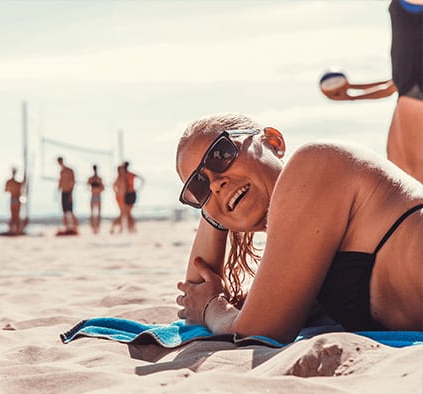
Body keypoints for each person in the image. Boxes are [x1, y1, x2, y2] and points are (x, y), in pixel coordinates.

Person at [174, 113, 423, 344]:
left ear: (273, 141)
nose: (216, 183)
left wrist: (213, 309)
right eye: (199, 186)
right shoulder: (305, 251)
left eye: (221, 155)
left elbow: (259, 329)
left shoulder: (315, 163)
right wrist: (216, 206)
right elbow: (195, 296)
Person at [321, 0, 423, 182]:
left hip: (414, 100)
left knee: (408, 183)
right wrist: (349, 93)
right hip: (408, 97)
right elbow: (390, 87)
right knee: (402, 181)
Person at [57, 157, 78, 234]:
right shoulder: (61, 172)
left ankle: (75, 226)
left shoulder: (69, 170)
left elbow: (72, 181)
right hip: (63, 192)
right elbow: (60, 182)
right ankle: (67, 227)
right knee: (65, 211)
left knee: (70, 211)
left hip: (68, 192)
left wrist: (70, 193)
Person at [122, 161, 144, 233]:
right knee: (128, 213)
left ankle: (131, 227)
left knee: (128, 213)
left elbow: (142, 179)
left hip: (129, 194)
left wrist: (138, 188)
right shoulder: (130, 174)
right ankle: (131, 228)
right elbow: (142, 179)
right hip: (131, 193)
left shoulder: (125, 175)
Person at [4, 167, 26, 235]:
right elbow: (6, 189)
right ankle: (13, 229)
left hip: (16, 199)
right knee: (14, 215)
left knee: (16, 215)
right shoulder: (11, 182)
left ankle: (16, 229)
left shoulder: (15, 183)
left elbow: (6, 189)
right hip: (14, 199)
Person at [87, 164, 104, 234]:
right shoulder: (91, 179)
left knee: (98, 214)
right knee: (92, 213)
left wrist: (97, 189)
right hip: (93, 195)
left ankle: (97, 228)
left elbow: (103, 188)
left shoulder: (99, 179)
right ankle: (93, 228)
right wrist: (93, 189)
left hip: (98, 196)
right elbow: (87, 187)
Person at [110, 164, 127, 234]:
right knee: (122, 214)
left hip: (123, 197)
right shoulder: (119, 178)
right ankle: (114, 226)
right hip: (120, 198)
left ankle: (120, 228)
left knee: (123, 214)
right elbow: (114, 186)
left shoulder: (123, 177)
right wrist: (118, 192)